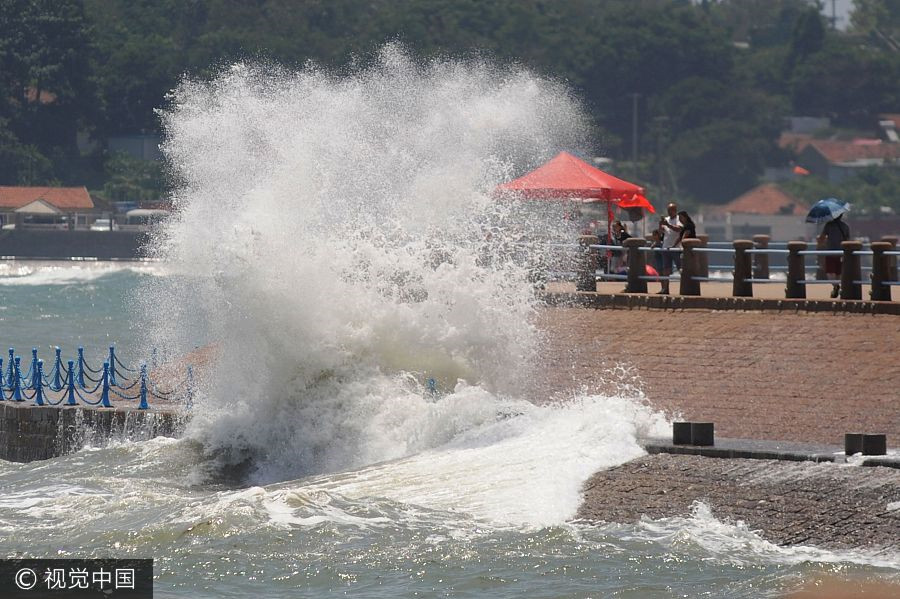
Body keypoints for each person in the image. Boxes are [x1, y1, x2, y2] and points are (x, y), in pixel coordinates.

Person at [818, 214, 850, 298]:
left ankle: (835, 286)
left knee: (829, 272)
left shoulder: (829, 225)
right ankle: (837, 286)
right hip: (842, 252)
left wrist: (821, 242)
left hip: (831, 252)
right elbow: (848, 240)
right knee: (838, 272)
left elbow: (822, 238)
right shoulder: (845, 226)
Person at [658, 203, 683, 294]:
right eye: (668, 210)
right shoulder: (666, 220)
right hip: (666, 247)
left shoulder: (679, 219)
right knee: (666, 270)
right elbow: (661, 233)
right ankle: (665, 289)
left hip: (676, 249)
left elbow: (679, 229)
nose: (669, 212)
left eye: (671, 210)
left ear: (675, 210)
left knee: (681, 268)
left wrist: (668, 225)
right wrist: (660, 225)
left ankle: (684, 288)